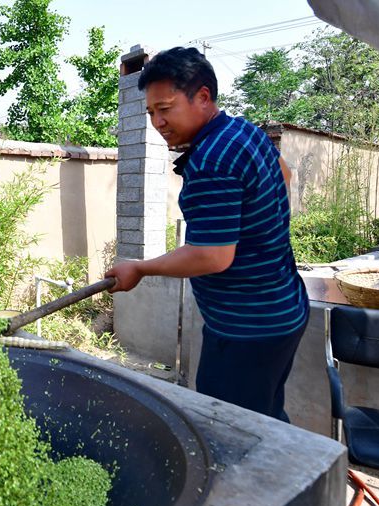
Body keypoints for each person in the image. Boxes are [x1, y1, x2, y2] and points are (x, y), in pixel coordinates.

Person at [103, 47, 309, 423]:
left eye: (165, 109)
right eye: (151, 113)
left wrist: (141, 268)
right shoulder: (242, 131)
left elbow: (213, 256)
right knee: (267, 419)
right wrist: (260, 233)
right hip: (285, 310)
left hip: (246, 328)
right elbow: (284, 175)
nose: (158, 122)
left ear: (202, 97)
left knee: (233, 433)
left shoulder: (211, 160)